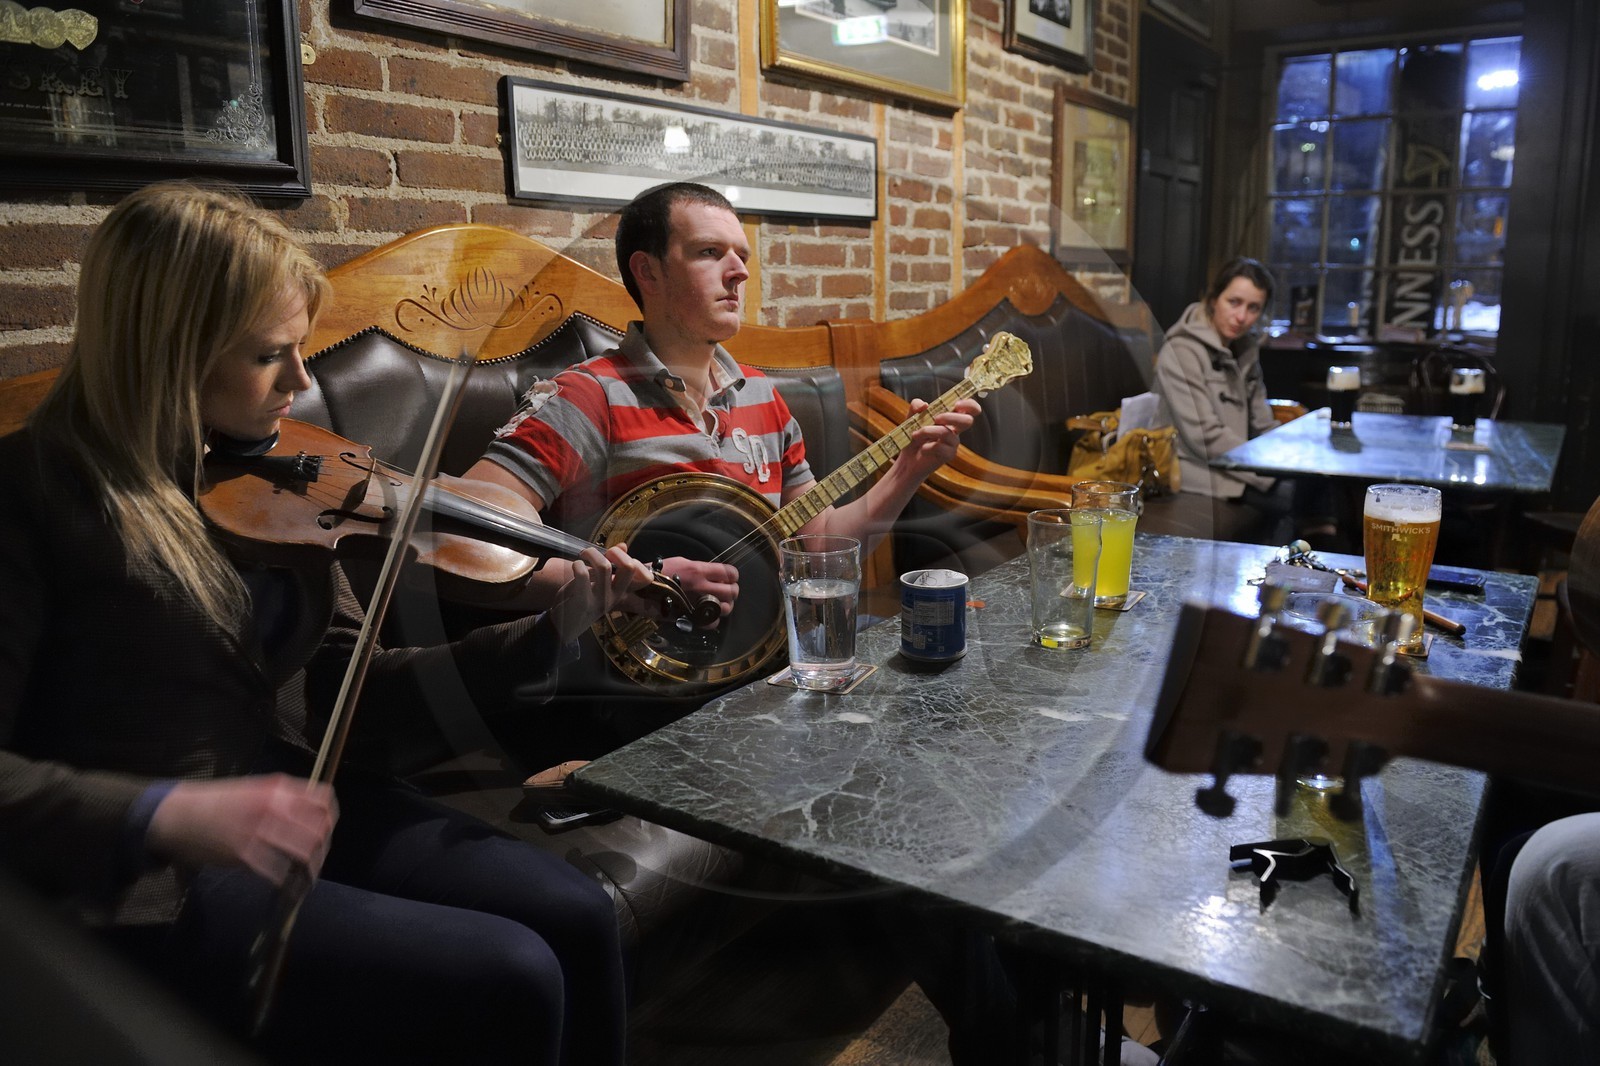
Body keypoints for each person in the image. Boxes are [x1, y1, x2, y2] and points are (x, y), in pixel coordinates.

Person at [0, 181, 649, 1064]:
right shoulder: (34, 492)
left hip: (300, 793)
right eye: (273, 355)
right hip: (146, 873)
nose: (303, 384)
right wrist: (162, 812)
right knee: (512, 970)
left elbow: (354, 688)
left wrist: (548, 629)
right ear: (167, 350)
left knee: (577, 912)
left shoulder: (268, 480)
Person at [460, 181, 978, 731]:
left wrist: (910, 468)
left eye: (742, 256)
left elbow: (817, 543)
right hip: (640, 698)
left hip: (764, 673)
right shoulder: (588, 397)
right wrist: (639, 583)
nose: (739, 273)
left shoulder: (761, 394)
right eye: (710, 252)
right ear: (649, 271)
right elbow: (462, 540)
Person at [1152, 257, 1306, 544]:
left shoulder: (1245, 350)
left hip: (1238, 463)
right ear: (1212, 299)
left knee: (1319, 484)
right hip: (1194, 468)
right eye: (1233, 302)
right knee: (1294, 496)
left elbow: (1263, 422)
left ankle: (1321, 576)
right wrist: (1266, 466)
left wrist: (1297, 453)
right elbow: (1204, 438)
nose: (1241, 317)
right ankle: (1288, 580)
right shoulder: (1181, 350)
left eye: (1253, 308)